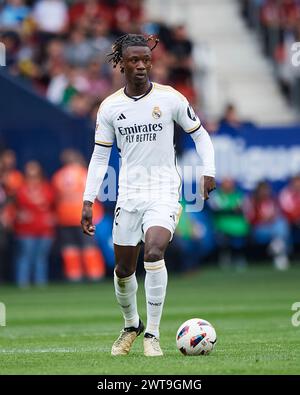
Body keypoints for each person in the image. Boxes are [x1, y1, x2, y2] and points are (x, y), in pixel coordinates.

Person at [81, 33, 216, 357]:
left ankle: (152, 335)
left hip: (163, 192)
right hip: (128, 195)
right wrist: (88, 200)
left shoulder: (171, 98)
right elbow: (100, 157)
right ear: (122, 64)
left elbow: (201, 137)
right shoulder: (111, 107)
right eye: (134, 61)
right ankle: (131, 324)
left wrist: (207, 171)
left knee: (154, 253)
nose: (141, 66)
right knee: (123, 270)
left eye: (146, 60)